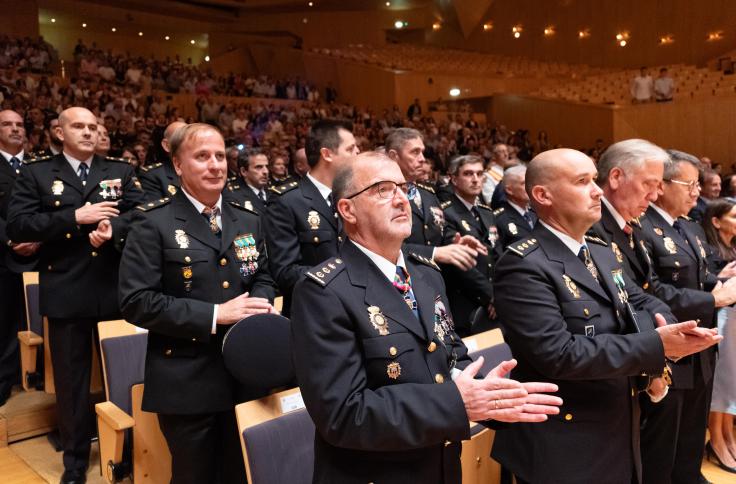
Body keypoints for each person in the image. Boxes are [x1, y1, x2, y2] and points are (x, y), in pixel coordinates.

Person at [291, 151, 562, 484]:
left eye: (403, 188)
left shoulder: (426, 276)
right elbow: (344, 414)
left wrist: (488, 396)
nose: (402, 199)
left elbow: (450, 359)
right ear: (348, 209)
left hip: (442, 466)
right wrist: (457, 402)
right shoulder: (324, 290)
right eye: (383, 189)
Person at [491, 148, 721, 484]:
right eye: (582, 182)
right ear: (543, 195)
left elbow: (640, 299)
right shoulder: (523, 264)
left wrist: (669, 328)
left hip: (616, 427)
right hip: (564, 446)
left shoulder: (598, 249)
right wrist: (655, 347)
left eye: (594, 180)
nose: (598, 190)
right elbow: (558, 354)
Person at [119, 123, 277, 484]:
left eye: (220, 156)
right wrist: (215, 314)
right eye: (202, 156)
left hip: (246, 375)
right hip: (186, 381)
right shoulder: (152, 221)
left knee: (243, 474)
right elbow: (135, 302)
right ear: (177, 165)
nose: (215, 165)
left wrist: (259, 304)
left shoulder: (247, 217)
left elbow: (264, 276)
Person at [7, 107, 144, 484]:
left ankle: (129, 452)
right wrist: (75, 218)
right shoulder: (35, 172)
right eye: (78, 126)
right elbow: (19, 224)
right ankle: (75, 463)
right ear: (59, 132)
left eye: (92, 126)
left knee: (128, 378)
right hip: (67, 291)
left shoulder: (119, 170)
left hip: (117, 290)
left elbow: (144, 214)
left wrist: (112, 228)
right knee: (71, 385)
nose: (87, 132)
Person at [638, 149, 726, 484]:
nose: (697, 192)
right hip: (672, 347)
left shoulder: (689, 227)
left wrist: (721, 283)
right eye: (689, 184)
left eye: (697, 185)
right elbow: (649, 290)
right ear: (661, 185)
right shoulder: (643, 227)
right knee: (663, 439)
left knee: (691, 431)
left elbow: (702, 276)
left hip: (702, 344)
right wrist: (712, 297)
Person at [265, 119, 359, 316]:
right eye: (350, 149)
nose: (358, 153)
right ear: (327, 154)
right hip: (315, 313)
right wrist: (343, 274)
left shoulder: (352, 197)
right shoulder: (287, 201)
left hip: (357, 309)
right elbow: (285, 272)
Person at [386, 127, 483, 272]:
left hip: (433, 280)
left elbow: (438, 228)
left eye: (422, 152)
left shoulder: (428, 194)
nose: (422, 159)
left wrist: (454, 241)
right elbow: (382, 246)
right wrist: (433, 253)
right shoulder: (384, 197)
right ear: (394, 156)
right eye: (415, 152)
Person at [0, 110, 39, 406]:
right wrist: (11, 238)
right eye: (6, 124)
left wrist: (39, 236)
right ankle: (5, 381)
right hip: (4, 256)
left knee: (35, 321)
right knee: (5, 321)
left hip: (40, 255)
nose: (15, 129)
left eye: (19, 125)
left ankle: (34, 377)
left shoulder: (39, 165)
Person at [440, 155, 498, 336]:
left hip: (495, 300)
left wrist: (501, 293)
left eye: (479, 174)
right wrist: (490, 295)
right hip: (465, 301)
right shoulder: (445, 212)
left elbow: (497, 254)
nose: (475, 179)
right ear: (454, 179)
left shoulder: (486, 212)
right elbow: (459, 262)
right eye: (468, 174)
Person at [701, 199, 736, 473]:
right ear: (716, 221)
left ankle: (728, 435)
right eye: (734, 216)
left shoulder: (733, 246)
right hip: (721, 320)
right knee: (722, 383)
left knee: (732, 383)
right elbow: (709, 285)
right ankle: (716, 440)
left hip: (734, 320)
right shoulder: (711, 250)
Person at [139, 121, 186, 201]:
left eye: (191, 137)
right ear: (166, 145)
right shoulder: (153, 175)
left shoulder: (206, 169)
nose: (188, 142)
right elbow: (156, 212)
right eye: (180, 138)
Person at [494, 164, 536, 249]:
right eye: (524, 183)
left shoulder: (535, 212)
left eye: (530, 182)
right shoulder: (497, 219)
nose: (530, 187)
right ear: (509, 190)